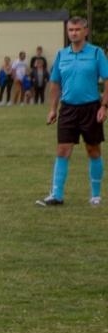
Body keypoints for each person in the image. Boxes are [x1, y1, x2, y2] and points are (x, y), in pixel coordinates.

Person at [36, 16, 108, 207]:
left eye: (77, 29)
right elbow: (55, 84)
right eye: (70, 30)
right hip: (67, 109)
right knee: (62, 150)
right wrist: (53, 109)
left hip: (91, 108)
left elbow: (107, 80)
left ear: (85, 31)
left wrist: (104, 106)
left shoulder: (96, 53)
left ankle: (96, 195)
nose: (74, 33)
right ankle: (56, 195)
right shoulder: (61, 55)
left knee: (93, 150)